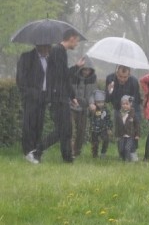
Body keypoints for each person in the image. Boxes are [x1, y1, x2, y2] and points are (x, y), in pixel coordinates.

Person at [42, 30, 83, 163]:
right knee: (62, 130)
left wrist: (72, 96)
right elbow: (63, 75)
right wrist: (76, 67)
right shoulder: (58, 51)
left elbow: (64, 78)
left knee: (66, 129)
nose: (77, 44)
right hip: (56, 96)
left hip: (61, 95)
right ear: (71, 38)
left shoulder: (60, 51)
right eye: (77, 40)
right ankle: (36, 150)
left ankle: (67, 158)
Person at [16, 44, 52, 164]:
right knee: (29, 125)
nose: (49, 49)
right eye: (47, 47)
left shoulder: (48, 59)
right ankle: (28, 151)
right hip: (31, 97)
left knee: (39, 125)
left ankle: (36, 152)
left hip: (43, 97)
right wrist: (30, 92)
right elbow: (20, 79)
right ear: (40, 46)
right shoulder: (26, 57)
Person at [69, 56, 97, 158]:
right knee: (70, 130)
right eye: (84, 69)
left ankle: (77, 151)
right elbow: (68, 89)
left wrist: (91, 103)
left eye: (88, 70)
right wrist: (71, 100)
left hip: (84, 108)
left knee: (81, 130)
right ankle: (70, 151)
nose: (86, 72)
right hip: (71, 106)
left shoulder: (93, 78)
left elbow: (92, 93)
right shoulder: (73, 76)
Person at [105, 65, 143, 138]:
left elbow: (135, 100)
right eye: (120, 76)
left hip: (133, 109)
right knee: (120, 135)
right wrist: (109, 91)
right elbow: (107, 99)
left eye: (125, 77)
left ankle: (132, 148)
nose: (122, 79)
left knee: (132, 134)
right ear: (116, 73)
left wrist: (128, 111)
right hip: (118, 109)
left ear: (129, 75)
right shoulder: (110, 78)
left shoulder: (134, 81)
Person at [115, 95, 140, 162]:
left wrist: (137, 134)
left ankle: (127, 160)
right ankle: (122, 158)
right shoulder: (119, 114)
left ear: (130, 104)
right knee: (121, 148)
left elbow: (137, 125)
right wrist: (117, 135)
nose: (125, 105)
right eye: (123, 104)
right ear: (121, 104)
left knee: (127, 148)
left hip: (130, 135)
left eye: (127, 104)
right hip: (121, 134)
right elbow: (117, 126)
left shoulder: (133, 114)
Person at [89, 90, 112, 158]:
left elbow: (108, 119)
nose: (100, 104)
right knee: (95, 143)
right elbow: (89, 116)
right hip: (94, 129)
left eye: (102, 102)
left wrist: (109, 128)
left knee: (106, 140)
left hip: (104, 128)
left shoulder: (106, 110)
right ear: (95, 102)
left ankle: (103, 152)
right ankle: (95, 154)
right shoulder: (93, 109)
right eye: (98, 102)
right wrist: (92, 111)